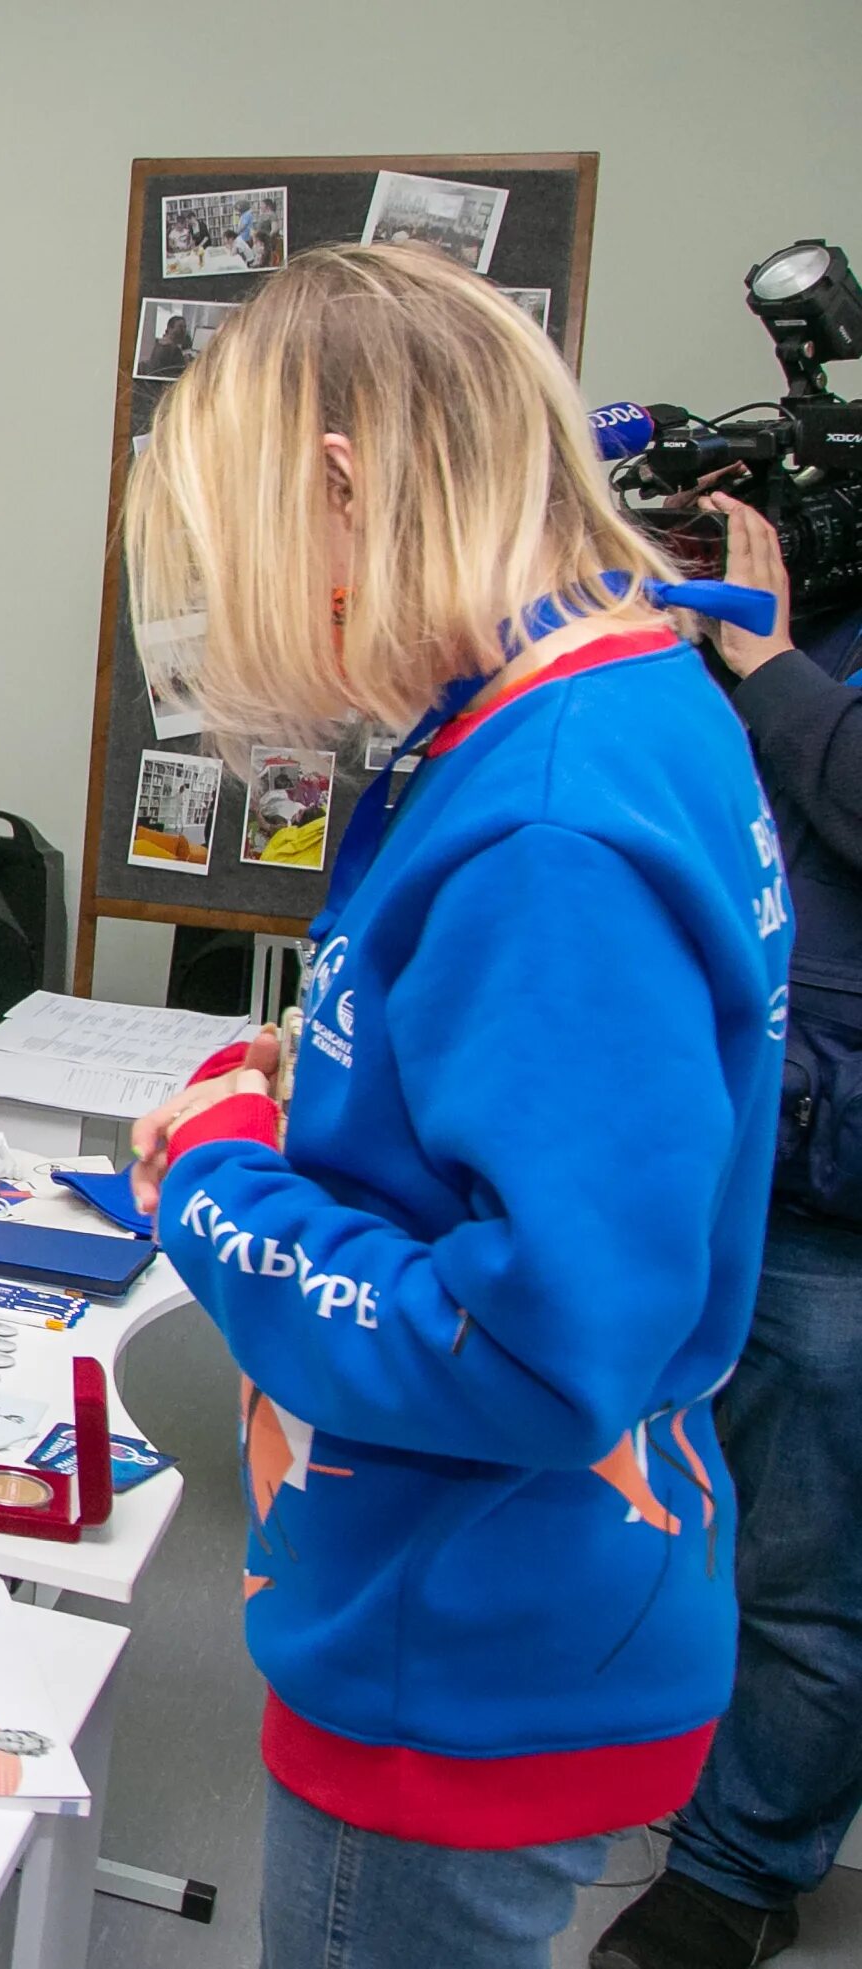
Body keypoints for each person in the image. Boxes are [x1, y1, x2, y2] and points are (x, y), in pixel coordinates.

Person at [118, 243, 789, 1969]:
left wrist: (210, 1179)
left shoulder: (543, 814)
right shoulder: (626, 694)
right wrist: (338, 1074)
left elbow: (529, 1341)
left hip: (465, 1634)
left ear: (339, 485)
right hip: (540, 1589)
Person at [593, 508, 862, 1969]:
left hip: (840, 1181)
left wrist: (765, 657)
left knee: (812, 1564)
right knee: (708, 1493)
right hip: (747, 1124)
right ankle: (704, 1776)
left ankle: (741, 1872)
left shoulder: (783, 657)